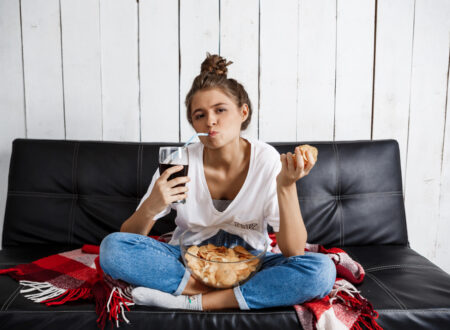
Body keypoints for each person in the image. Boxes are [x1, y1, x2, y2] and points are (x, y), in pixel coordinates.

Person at [99, 52, 336, 311]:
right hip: (186, 261)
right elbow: (128, 238)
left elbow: (294, 251)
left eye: (220, 110)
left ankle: (193, 301)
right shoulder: (180, 161)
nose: (210, 121)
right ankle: (228, 295)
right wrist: (152, 206)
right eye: (199, 115)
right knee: (112, 248)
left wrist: (286, 185)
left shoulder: (266, 160)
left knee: (321, 270)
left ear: (243, 111)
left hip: (249, 264)